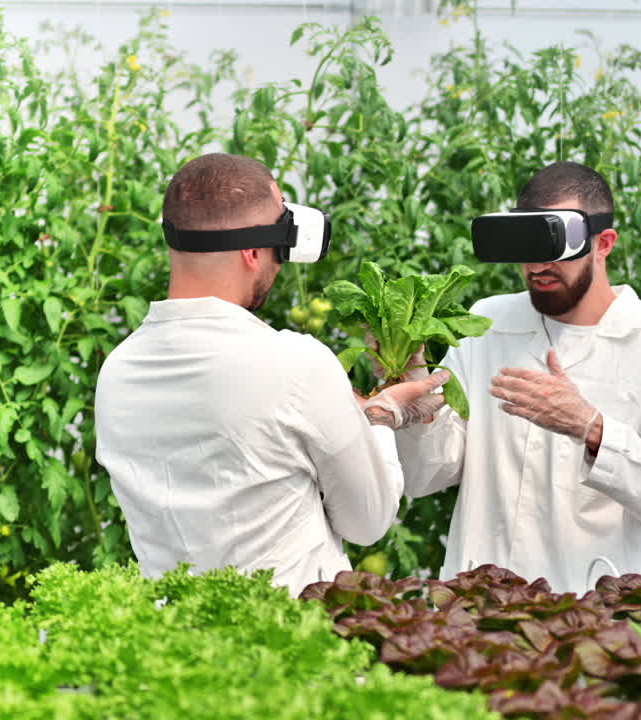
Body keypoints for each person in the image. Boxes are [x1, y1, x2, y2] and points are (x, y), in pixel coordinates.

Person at [94, 153, 449, 596]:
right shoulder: (298, 363)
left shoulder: (118, 371)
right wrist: (381, 416)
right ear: (252, 251)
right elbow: (368, 521)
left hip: (172, 639)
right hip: (287, 640)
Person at [393, 161, 641, 595]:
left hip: (596, 620)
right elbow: (426, 475)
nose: (537, 267)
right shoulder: (488, 322)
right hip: (477, 614)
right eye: (526, 246)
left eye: (553, 246)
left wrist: (594, 430)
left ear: (603, 243)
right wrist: (415, 407)